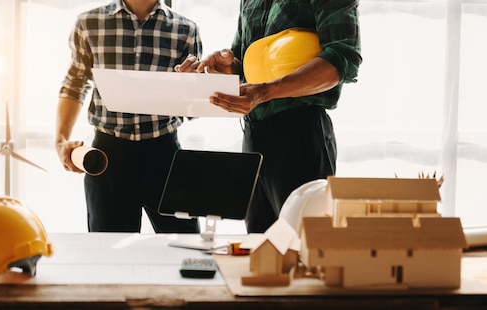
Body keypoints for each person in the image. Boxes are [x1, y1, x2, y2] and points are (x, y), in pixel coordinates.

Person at [175, 0, 362, 233]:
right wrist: (228, 67)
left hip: (301, 136)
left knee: (304, 250)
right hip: (255, 138)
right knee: (260, 249)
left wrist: (264, 91)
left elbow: (344, 56)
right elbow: (244, 63)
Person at [55, 0, 201, 233]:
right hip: (107, 158)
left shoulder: (186, 29)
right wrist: (60, 139)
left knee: (186, 249)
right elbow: (75, 85)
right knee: (109, 254)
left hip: (166, 157)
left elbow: (193, 107)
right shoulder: (89, 22)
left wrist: (197, 88)